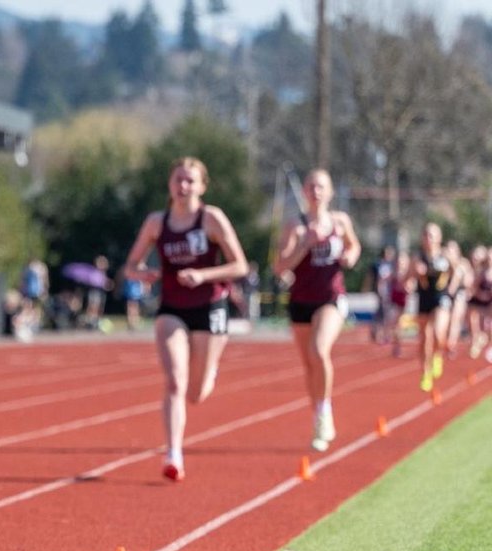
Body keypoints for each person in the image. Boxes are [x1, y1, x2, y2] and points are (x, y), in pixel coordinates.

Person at [122, 156, 248, 481]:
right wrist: (143, 274)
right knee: (175, 381)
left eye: (190, 181)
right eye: (178, 179)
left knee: (196, 392)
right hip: (172, 309)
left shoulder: (211, 219)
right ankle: (173, 452)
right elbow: (129, 266)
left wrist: (203, 275)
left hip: (210, 306)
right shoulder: (156, 222)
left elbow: (240, 266)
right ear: (169, 184)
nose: (183, 186)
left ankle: (210, 369)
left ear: (202, 186)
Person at [272, 169, 361, 452]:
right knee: (310, 365)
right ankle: (318, 415)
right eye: (310, 186)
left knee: (319, 350)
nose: (315, 191)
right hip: (300, 300)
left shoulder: (339, 221)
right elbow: (280, 266)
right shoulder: (294, 226)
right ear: (304, 192)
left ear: (330, 192)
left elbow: (353, 244)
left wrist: (350, 255)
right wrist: (304, 245)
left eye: (320, 186)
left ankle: (325, 412)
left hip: (330, 297)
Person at [413, 223, 452, 391]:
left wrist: (454, 285)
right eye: (426, 235)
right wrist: (413, 275)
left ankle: (437, 355)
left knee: (438, 333)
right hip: (424, 299)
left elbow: (459, 268)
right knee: (424, 338)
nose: (429, 238)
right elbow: (408, 275)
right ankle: (425, 372)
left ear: (439, 238)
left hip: (441, 298)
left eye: (432, 235)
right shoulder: (418, 257)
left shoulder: (445, 255)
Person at [363, 245, 397, 344]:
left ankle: (380, 332)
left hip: (390, 292)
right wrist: (367, 288)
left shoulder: (392, 265)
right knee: (383, 312)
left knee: (385, 313)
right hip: (382, 291)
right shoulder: (378, 264)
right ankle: (379, 333)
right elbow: (371, 277)